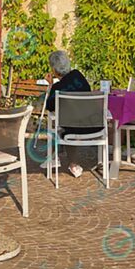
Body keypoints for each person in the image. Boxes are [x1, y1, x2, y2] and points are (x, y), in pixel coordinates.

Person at [45, 49, 97, 179]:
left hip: (72, 130)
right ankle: (70, 163)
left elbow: (49, 107)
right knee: (69, 122)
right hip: (92, 126)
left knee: (58, 125)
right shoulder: (79, 76)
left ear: (54, 70)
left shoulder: (58, 88)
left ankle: (55, 158)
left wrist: (51, 85)